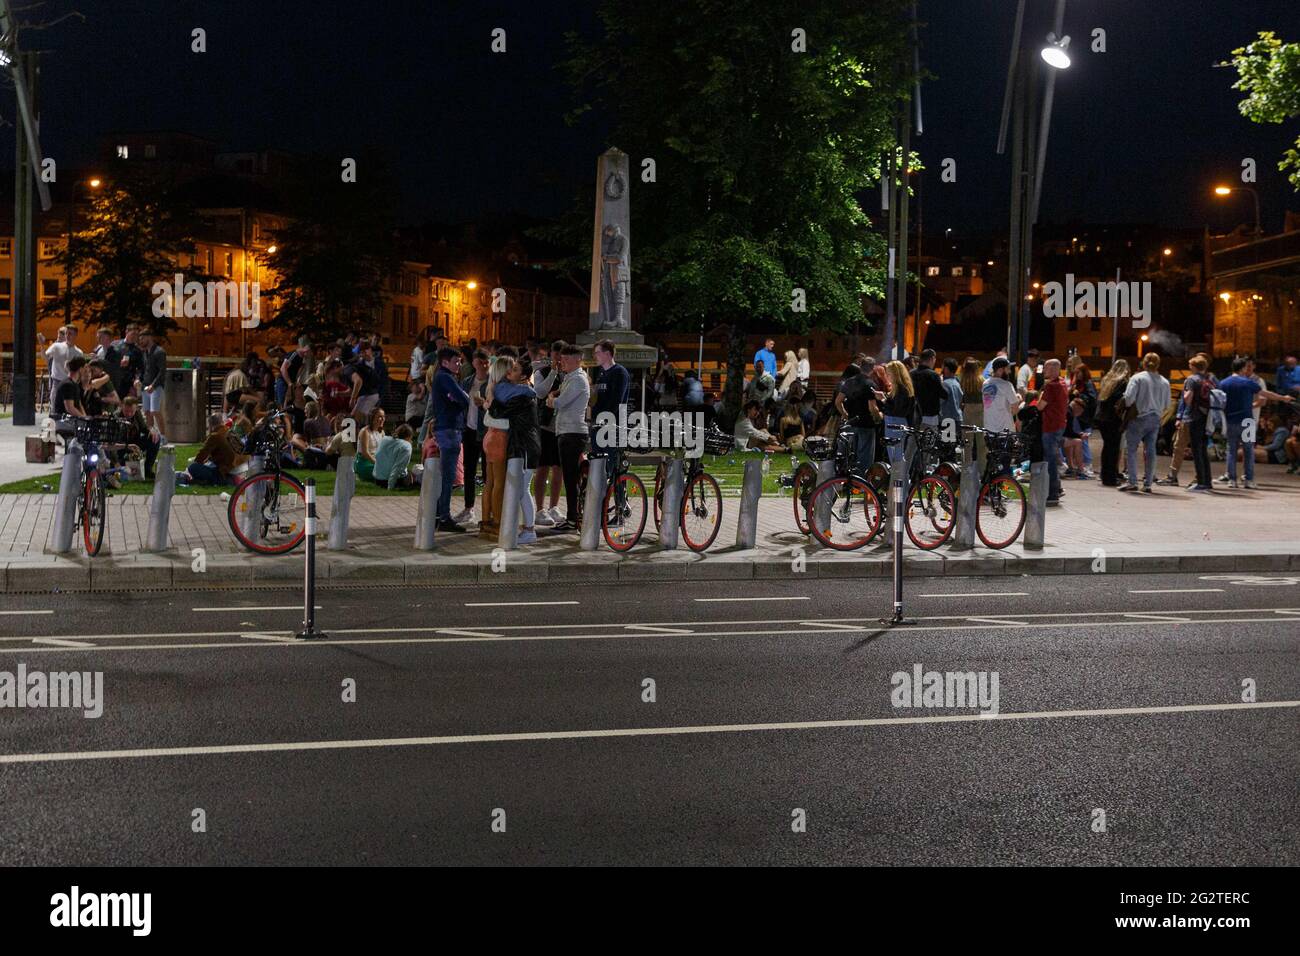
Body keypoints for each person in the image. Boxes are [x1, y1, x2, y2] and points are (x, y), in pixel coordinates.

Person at [1216, 356, 1294, 488]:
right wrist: (1283, 398)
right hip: (1247, 421)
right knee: (1248, 450)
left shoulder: (1223, 383)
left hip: (1230, 420)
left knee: (1231, 450)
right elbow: (1266, 394)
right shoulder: (1248, 383)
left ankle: (1232, 479)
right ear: (1242, 368)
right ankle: (1248, 479)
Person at [490, 356, 542, 543]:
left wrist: (492, 401)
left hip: (526, 445)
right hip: (523, 444)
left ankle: (529, 530)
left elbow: (498, 412)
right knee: (521, 488)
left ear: (523, 376)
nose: (510, 371)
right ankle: (527, 528)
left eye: (515, 369)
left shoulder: (522, 396)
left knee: (522, 488)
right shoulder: (521, 393)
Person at [427, 346, 471, 532]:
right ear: (445, 362)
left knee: (447, 475)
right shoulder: (445, 377)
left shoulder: (443, 377)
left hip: (447, 427)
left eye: (460, 361)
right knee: (448, 476)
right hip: (449, 429)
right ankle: (444, 516)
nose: (459, 364)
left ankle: (438, 514)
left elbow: (458, 398)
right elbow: (464, 399)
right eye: (456, 361)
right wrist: (460, 398)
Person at [550, 344, 590, 532]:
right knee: (570, 477)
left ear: (577, 360)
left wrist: (551, 400)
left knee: (571, 477)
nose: (562, 362)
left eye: (566, 359)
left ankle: (574, 519)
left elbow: (559, 402)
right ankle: (573, 516)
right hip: (566, 431)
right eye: (562, 359)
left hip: (573, 432)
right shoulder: (570, 378)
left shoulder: (578, 380)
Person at [531, 341, 566, 527]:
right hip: (545, 425)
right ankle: (539, 508)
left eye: (562, 355)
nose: (559, 358)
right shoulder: (541, 372)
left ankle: (554, 506)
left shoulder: (569, 373)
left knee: (558, 468)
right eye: (556, 354)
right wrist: (553, 372)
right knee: (542, 467)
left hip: (561, 426)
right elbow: (540, 392)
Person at [479, 356, 513, 539]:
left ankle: (485, 522)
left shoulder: (491, 387)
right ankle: (497, 523)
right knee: (499, 483)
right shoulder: (504, 390)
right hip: (500, 437)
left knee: (490, 482)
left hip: (490, 435)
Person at [834, 360, 880, 472]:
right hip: (866, 424)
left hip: (851, 422)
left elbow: (838, 401)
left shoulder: (849, 382)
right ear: (872, 368)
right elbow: (872, 407)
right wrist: (878, 418)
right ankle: (861, 481)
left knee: (849, 455)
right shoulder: (871, 384)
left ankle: (846, 479)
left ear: (860, 367)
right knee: (864, 457)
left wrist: (845, 414)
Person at [178, 414, 248, 486]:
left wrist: (198, 463)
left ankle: (223, 481)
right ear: (222, 422)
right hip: (240, 467)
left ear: (211, 425)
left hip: (225, 472)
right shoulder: (230, 431)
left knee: (193, 467)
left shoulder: (215, 436)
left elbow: (200, 457)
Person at [1036, 358, 1069, 506]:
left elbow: (1040, 406)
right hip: (1059, 424)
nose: (1044, 371)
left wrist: (1038, 399)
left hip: (1050, 426)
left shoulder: (1051, 386)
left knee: (1049, 460)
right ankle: (1057, 488)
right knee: (1053, 458)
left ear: (1055, 369)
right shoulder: (1063, 383)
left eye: (1047, 368)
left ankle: (1052, 493)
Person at [1094, 360, 1131, 487]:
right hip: (1113, 419)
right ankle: (1110, 478)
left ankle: (1105, 475)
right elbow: (1123, 400)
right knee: (1114, 448)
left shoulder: (1107, 380)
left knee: (1107, 447)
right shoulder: (1123, 383)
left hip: (1102, 418)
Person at [590, 339, 629, 456]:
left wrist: (604, 419)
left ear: (607, 354)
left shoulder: (619, 372)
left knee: (609, 465)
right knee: (597, 463)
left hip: (612, 426)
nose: (594, 356)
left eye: (597, 353)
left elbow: (617, 401)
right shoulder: (601, 373)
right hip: (598, 425)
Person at [1182, 355, 1215, 492]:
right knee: (1203, 450)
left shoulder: (1191, 379)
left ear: (1194, 367)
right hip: (1207, 418)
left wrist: (1184, 396)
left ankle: (1200, 482)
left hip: (1195, 417)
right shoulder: (1209, 381)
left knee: (1196, 450)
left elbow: (1188, 399)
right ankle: (1207, 481)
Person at [881, 359, 917, 465]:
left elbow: (896, 410)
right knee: (897, 458)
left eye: (889, 373)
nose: (887, 376)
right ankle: (900, 480)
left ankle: (899, 480)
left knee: (896, 459)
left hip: (895, 425)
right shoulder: (904, 388)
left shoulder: (901, 389)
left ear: (895, 374)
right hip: (897, 424)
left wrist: (884, 400)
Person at [40, 326, 83, 410]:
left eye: (70, 333)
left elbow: (80, 371)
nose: (67, 335)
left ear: (75, 335)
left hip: (71, 384)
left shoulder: (78, 352)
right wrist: (42, 344)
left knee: (70, 409)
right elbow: (45, 357)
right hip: (57, 382)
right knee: (55, 409)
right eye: (66, 333)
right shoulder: (56, 346)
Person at [1068, 363, 1098, 478]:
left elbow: (1092, 399)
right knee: (1077, 439)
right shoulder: (1078, 384)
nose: (1076, 375)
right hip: (1078, 416)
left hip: (1084, 417)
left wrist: (1079, 395)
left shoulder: (1088, 384)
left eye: (1078, 372)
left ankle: (1087, 465)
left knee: (1083, 440)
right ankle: (1080, 465)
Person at [139, 331, 167, 440]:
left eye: (143, 338)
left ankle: (163, 436)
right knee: (147, 412)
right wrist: (139, 381)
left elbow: (162, 371)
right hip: (145, 385)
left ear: (149, 337)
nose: (141, 341)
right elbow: (144, 370)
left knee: (155, 411)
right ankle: (152, 435)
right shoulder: (145, 352)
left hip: (156, 386)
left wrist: (153, 385)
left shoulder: (159, 352)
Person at [372, 424, 416, 489]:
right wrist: (390, 486)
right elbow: (398, 468)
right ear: (409, 437)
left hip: (377, 479)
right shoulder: (406, 446)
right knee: (411, 474)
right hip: (391, 481)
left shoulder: (384, 439)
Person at [345, 342, 381, 419]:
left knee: (359, 417)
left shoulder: (349, 369)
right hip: (365, 395)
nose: (361, 355)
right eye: (361, 353)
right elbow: (351, 390)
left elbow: (358, 381)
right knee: (353, 417)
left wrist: (352, 398)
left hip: (370, 394)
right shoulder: (359, 365)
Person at [910, 349, 944, 428]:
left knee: (916, 439)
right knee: (929, 439)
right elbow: (943, 394)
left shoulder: (911, 373)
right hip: (930, 416)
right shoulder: (933, 375)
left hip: (914, 415)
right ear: (932, 358)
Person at [352, 407, 386, 482]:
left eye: (383, 417)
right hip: (364, 463)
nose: (383, 419)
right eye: (380, 416)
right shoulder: (365, 432)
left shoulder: (382, 432)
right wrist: (378, 463)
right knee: (384, 472)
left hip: (375, 461)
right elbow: (365, 453)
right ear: (372, 418)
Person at [938, 356, 963, 434]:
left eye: (943, 367)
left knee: (946, 444)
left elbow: (940, 401)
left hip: (947, 420)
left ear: (946, 369)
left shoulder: (945, 384)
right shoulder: (957, 382)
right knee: (953, 444)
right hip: (958, 418)